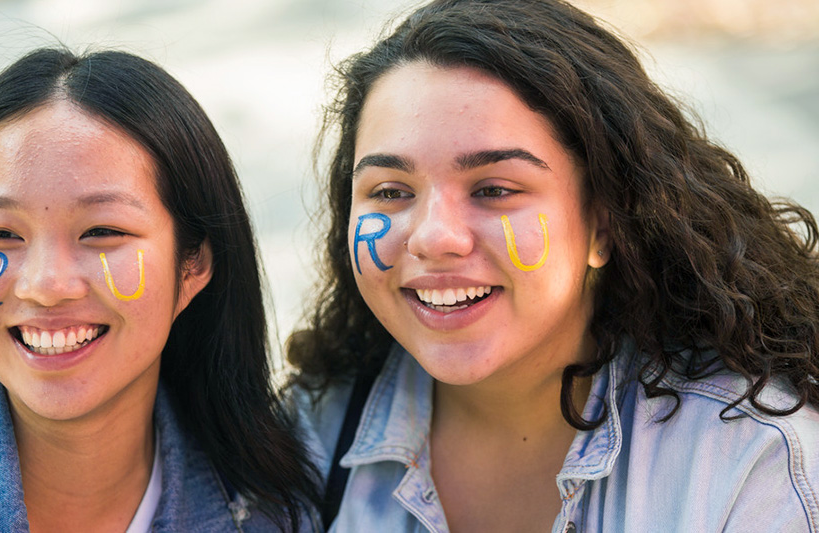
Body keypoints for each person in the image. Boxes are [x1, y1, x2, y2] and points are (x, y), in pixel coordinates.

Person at [286, 0, 819, 531]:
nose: (433, 238)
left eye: (494, 189)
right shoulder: (306, 437)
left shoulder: (750, 460)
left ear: (605, 223)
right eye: (391, 191)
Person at [0, 48, 320, 532]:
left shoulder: (271, 508)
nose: (45, 286)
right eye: (1, 234)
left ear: (193, 265)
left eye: (102, 232)